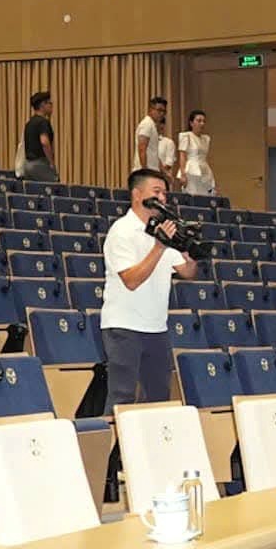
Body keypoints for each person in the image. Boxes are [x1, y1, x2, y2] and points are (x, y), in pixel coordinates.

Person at [102, 168, 198, 410]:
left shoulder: (161, 231)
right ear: (137, 194)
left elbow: (187, 272)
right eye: (157, 192)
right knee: (122, 398)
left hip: (157, 328)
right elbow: (131, 280)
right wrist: (158, 247)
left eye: (164, 193)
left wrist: (191, 255)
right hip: (124, 327)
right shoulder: (122, 231)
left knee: (158, 399)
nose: (163, 198)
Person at [21, 91, 59, 182]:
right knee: (55, 187)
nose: (51, 106)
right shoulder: (43, 122)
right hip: (40, 165)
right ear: (42, 105)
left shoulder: (29, 123)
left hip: (28, 165)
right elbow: (44, 142)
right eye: (49, 103)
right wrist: (51, 163)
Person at [134, 96, 175, 182]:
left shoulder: (153, 126)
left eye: (164, 111)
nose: (162, 114)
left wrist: (165, 172)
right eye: (159, 110)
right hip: (145, 172)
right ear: (150, 109)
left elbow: (154, 154)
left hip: (153, 171)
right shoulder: (147, 124)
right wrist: (145, 172)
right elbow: (142, 149)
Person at [177, 110, 215, 195]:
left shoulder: (206, 139)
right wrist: (183, 174)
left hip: (204, 170)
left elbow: (205, 157)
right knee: (192, 195)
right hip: (191, 171)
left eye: (203, 121)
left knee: (205, 195)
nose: (202, 123)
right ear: (191, 123)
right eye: (199, 121)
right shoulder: (186, 136)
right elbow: (182, 155)